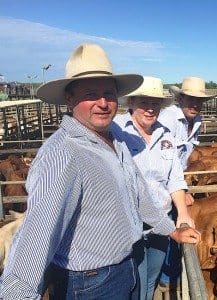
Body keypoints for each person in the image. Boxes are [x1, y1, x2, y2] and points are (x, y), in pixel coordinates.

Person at [0, 43, 200, 299]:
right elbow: (37, 234)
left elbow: (137, 192)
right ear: (69, 98)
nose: (103, 103)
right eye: (91, 94)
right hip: (90, 282)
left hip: (125, 266)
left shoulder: (115, 135)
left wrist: (170, 228)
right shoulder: (63, 154)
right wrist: (18, 293)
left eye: (109, 93)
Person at [111, 76, 195, 300]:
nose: (150, 109)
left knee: (151, 279)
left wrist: (183, 215)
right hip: (129, 224)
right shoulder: (115, 130)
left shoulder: (165, 134)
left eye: (155, 103)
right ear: (131, 103)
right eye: (144, 102)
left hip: (162, 221)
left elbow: (174, 178)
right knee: (134, 280)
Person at [157, 76, 215, 288]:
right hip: (159, 182)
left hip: (174, 180)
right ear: (180, 98)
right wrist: (179, 191)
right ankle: (164, 277)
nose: (195, 104)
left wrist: (181, 188)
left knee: (176, 224)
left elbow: (181, 161)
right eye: (190, 99)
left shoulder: (196, 121)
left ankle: (166, 276)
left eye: (199, 100)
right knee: (165, 228)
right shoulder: (168, 119)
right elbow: (162, 158)